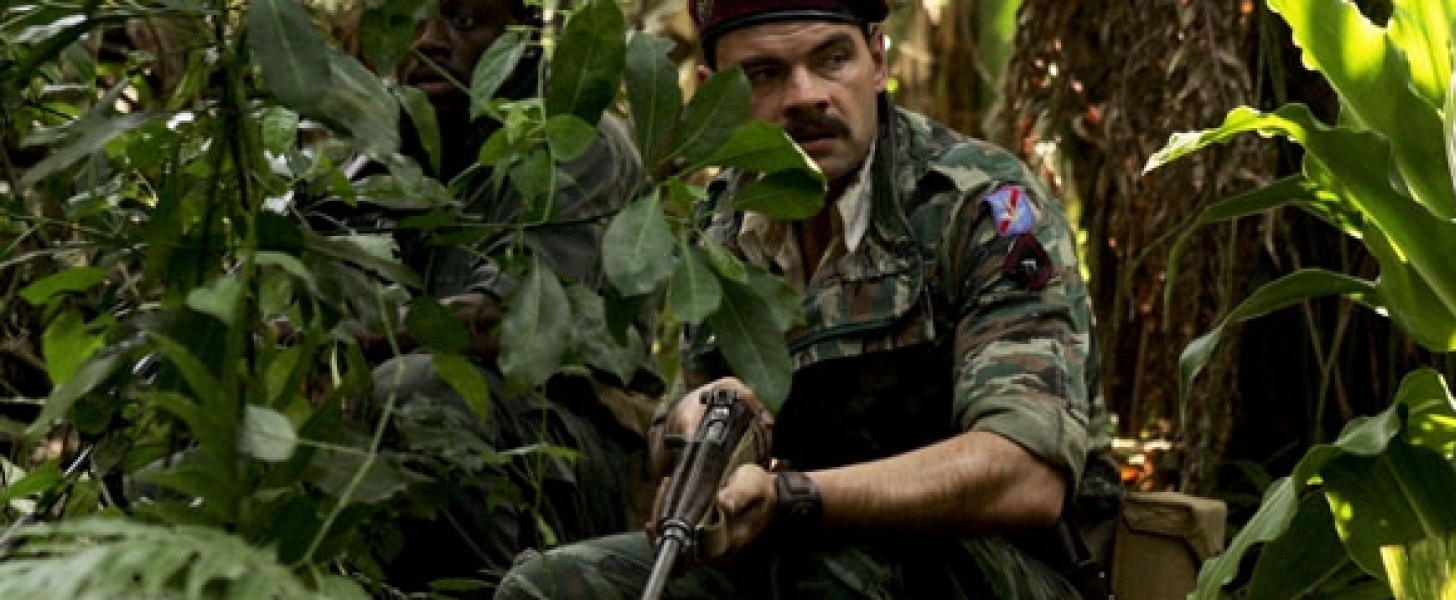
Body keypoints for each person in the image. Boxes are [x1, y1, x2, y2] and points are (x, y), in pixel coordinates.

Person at [493, 1, 1121, 599]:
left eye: (832, 59)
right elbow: (680, 425)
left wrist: (793, 496)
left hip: (1003, 567)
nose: (805, 96)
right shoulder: (725, 220)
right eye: (764, 74)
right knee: (549, 585)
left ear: (877, 60)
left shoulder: (981, 204)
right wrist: (688, 424)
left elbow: (1026, 475)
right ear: (715, 95)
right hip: (801, 548)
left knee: (827, 574)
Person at [296, 0, 659, 594]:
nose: (430, 43)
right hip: (401, 436)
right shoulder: (380, 152)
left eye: (464, 23)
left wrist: (345, 339)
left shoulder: (571, 137)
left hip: (572, 454)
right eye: (410, 23)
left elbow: (506, 321)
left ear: (522, 33)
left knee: (420, 391)